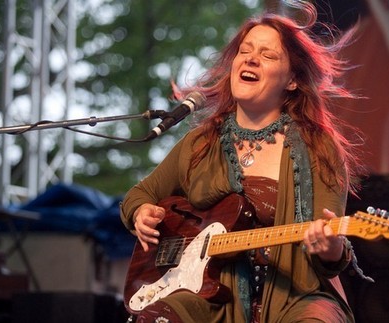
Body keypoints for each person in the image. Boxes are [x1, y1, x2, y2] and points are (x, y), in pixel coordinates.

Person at [120, 2, 364, 322]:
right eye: (245, 51)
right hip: (209, 297)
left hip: (294, 295)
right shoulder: (200, 143)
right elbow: (138, 196)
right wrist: (141, 212)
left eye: (268, 55)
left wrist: (331, 248)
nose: (250, 58)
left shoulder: (318, 148)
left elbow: (327, 257)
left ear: (291, 80)